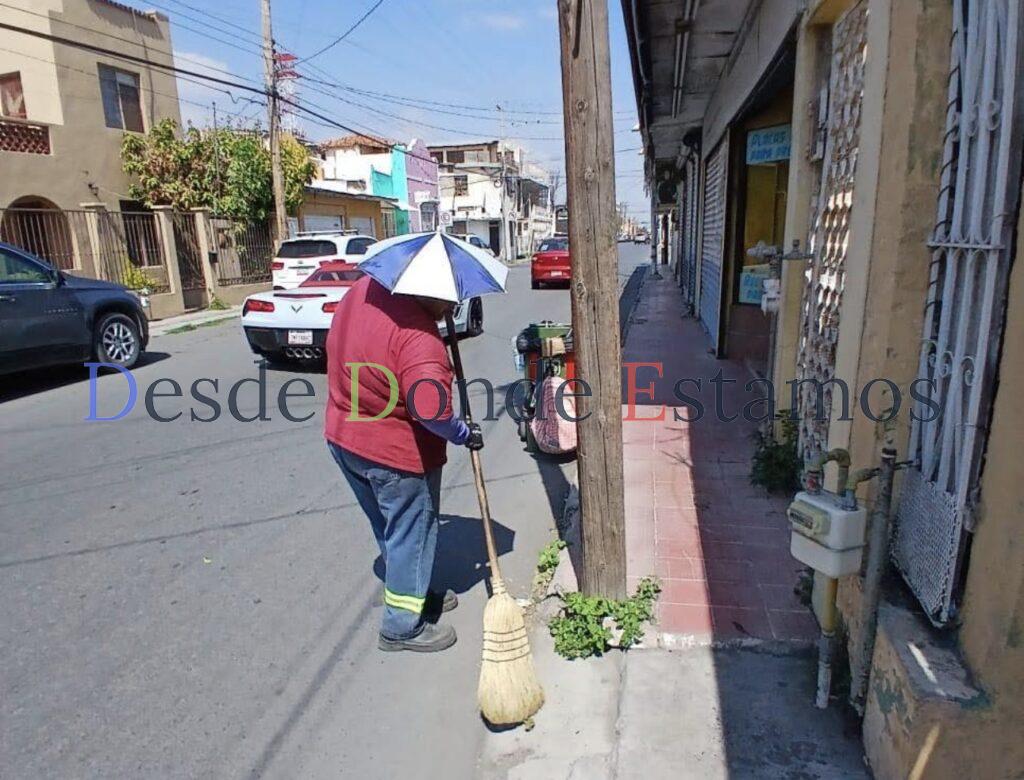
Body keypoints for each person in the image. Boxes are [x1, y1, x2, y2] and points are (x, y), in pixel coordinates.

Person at [325, 273, 482, 653]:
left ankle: (409, 588)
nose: (451, 311)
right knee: (413, 532)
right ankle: (400, 626)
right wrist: (462, 433)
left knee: (391, 528)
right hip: (395, 456)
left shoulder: (364, 291)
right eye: (450, 302)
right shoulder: (420, 338)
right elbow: (430, 410)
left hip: (344, 437)